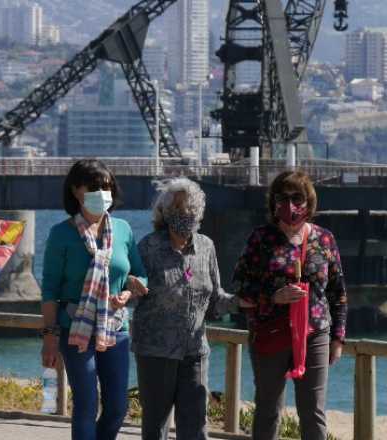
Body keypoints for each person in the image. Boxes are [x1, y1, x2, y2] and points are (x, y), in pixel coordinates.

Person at [232, 171, 348, 440]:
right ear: (273, 203)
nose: (290, 205)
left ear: (309, 202)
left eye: (297, 198)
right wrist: (273, 295)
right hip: (271, 330)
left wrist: (338, 338)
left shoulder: (324, 239)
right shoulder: (261, 238)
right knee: (268, 408)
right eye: (282, 198)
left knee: (313, 410)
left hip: (314, 332)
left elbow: (338, 292)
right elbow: (239, 284)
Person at [40, 159, 147, 440]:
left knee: (117, 407)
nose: (103, 193)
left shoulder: (123, 230)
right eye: (96, 187)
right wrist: (50, 336)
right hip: (76, 327)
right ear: (76, 190)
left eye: (108, 186)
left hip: (116, 328)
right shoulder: (61, 234)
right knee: (86, 404)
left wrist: (130, 290)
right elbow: (50, 289)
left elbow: (139, 274)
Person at [132, 177, 243, 440]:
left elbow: (216, 300)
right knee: (155, 428)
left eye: (193, 208)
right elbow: (130, 292)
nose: (187, 214)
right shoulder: (148, 248)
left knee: (195, 428)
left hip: (194, 352)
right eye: (181, 209)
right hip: (155, 352)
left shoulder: (206, 247)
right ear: (166, 212)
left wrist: (242, 301)